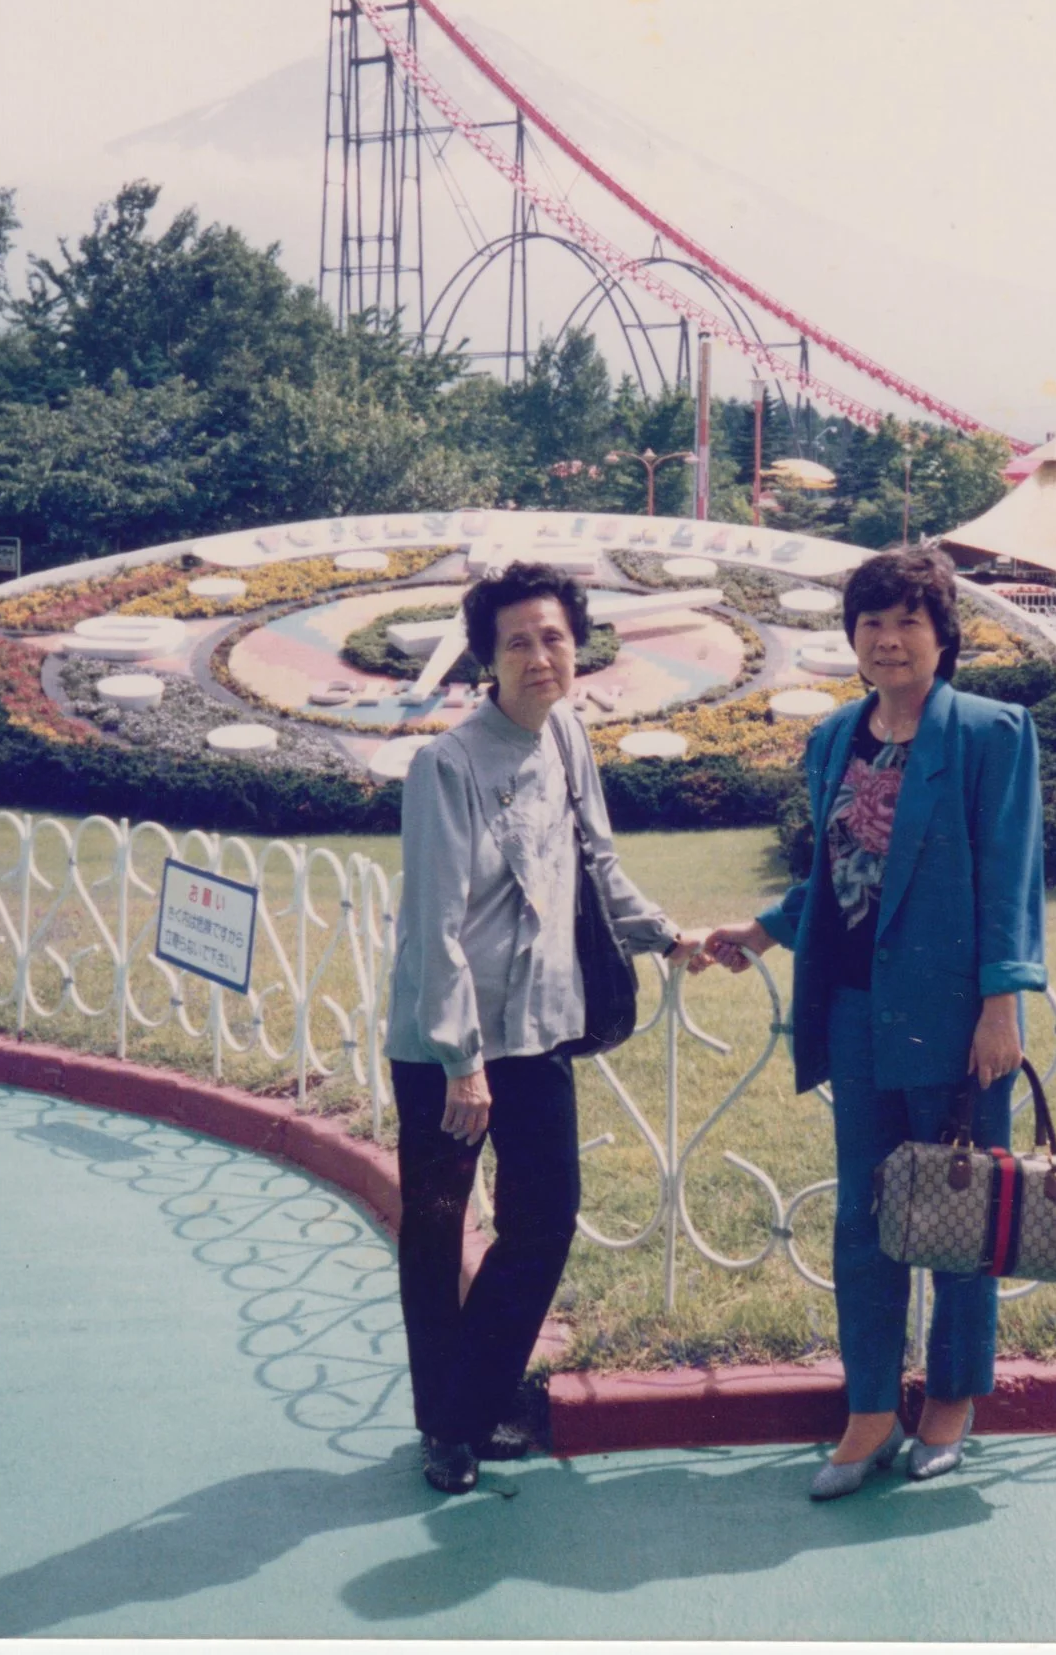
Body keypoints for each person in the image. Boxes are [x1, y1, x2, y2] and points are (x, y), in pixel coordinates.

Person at [705, 545, 1045, 1499]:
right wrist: (764, 930)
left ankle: (951, 1398)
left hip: (956, 1020)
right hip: (855, 1012)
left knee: (962, 1210)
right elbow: (837, 873)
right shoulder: (833, 740)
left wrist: (1003, 1002)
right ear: (852, 636)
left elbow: (1009, 876)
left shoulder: (991, 733)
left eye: (908, 621)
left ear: (943, 636)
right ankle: (868, 1407)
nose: (889, 639)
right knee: (865, 1216)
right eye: (872, 622)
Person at [387, 559, 709, 1495]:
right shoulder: (445, 766)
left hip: (538, 1030)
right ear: (486, 657)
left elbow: (598, 863)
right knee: (437, 1231)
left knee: (545, 1218)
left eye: (555, 637)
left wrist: (664, 933)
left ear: (578, 646)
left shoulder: (566, 734)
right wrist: (460, 1060)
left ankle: (470, 1402)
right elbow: (435, 927)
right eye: (518, 641)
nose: (540, 656)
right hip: (447, 1048)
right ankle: (445, 1427)